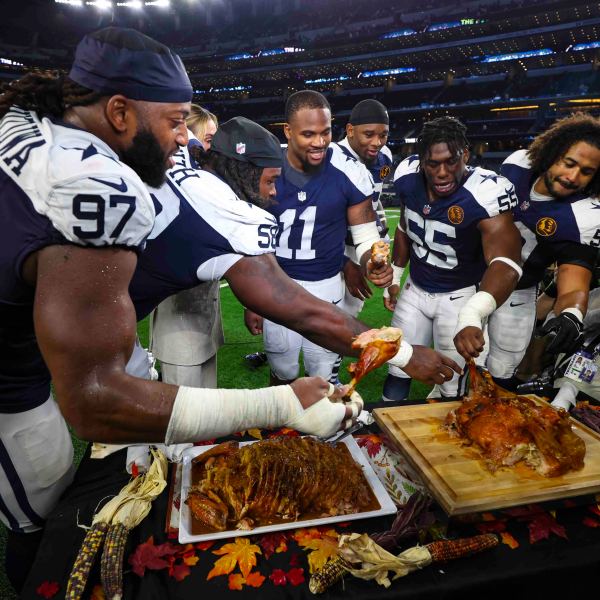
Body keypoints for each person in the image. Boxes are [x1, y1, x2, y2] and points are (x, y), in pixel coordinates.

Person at [0, 28, 355, 592]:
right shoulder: (92, 183)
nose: (184, 140)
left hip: (27, 342)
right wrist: (277, 404)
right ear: (119, 112)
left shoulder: (36, 125)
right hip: (10, 378)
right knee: (42, 517)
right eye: (174, 120)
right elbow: (96, 401)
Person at [129, 117, 461, 388]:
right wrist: (401, 354)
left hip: (114, 302)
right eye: (270, 181)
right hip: (108, 319)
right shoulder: (229, 212)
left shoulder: (191, 169)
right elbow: (305, 314)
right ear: (245, 171)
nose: (273, 193)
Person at [245, 90, 393, 384]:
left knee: (323, 373)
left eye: (325, 132)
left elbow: (364, 236)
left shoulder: (349, 171)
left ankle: (325, 430)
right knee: (283, 369)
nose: (319, 142)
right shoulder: (264, 169)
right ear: (288, 131)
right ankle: (283, 429)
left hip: (325, 285)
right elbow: (250, 239)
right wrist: (252, 300)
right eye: (309, 134)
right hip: (277, 283)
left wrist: (369, 261)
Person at [383, 116, 523, 401]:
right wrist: (396, 275)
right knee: (398, 369)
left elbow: (507, 262)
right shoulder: (407, 178)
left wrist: (474, 313)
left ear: (466, 156)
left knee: (451, 383)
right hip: (416, 290)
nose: (443, 172)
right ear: (420, 160)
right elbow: (405, 227)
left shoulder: (484, 192)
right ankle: (384, 442)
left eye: (451, 162)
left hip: (459, 297)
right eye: (433, 164)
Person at [489, 112, 600, 390]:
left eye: (586, 172)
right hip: (470, 282)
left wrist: (571, 315)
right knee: (454, 367)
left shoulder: (584, 217)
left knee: (500, 375)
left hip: (517, 295)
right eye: (569, 163)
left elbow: (574, 281)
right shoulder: (517, 165)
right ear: (552, 153)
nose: (573, 176)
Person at [150, 105, 224, 387]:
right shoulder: (169, 178)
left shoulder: (204, 176)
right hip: (179, 330)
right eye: (208, 138)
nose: (212, 147)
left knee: (209, 419)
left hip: (205, 323)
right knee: (185, 421)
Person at [335, 99, 394, 317]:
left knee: (350, 313)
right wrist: (343, 262)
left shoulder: (385, 157)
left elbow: (374, 198)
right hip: (334, 245)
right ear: (350, 130)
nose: (377, 142)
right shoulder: (332, 158)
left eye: (383, 135)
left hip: (362, 241)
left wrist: (380, 224)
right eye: (368, 135)